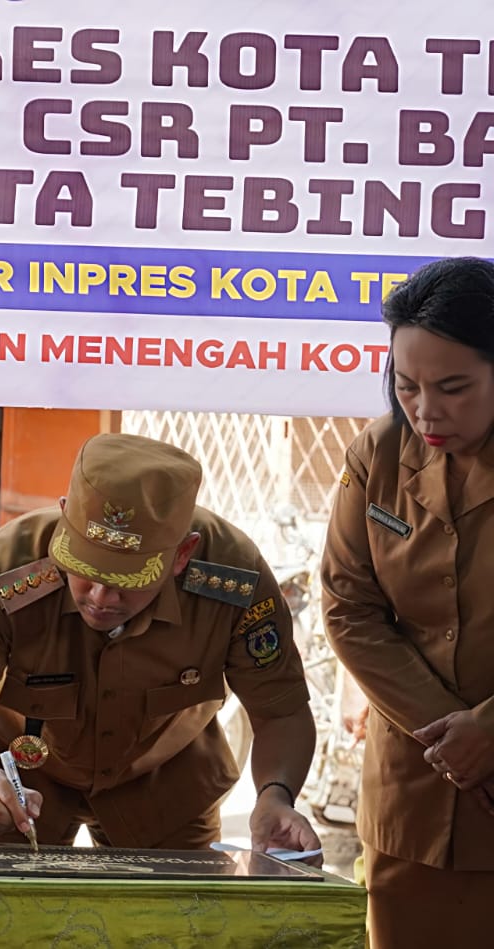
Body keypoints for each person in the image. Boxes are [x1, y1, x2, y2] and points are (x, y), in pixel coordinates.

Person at [0, 433, 322, 859]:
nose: (101, 597)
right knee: (4, 917)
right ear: (64, 517)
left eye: (128, 580)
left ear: (182, 555)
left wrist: (276, 795)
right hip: (18, 789)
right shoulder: (3, 574)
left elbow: (281, 711)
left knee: (181, 921)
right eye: (83, 568)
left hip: (166, 783)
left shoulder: (234, 581)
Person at [320, 256, 494, 946]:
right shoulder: (380, 451)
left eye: (453, 387)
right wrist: (456, 737)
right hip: (415, 793)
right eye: (407, 384)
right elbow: (347, 606)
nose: (425, 409)